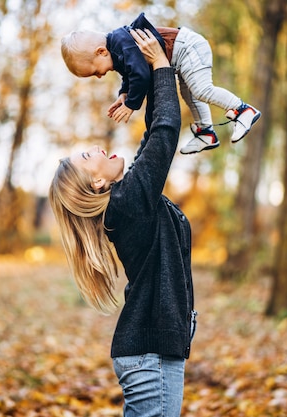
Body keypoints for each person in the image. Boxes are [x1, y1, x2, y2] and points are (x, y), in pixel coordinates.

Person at [49, 28, 196, 416]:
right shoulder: (127, 204)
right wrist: (163, 67)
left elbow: (151, 137)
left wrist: (143, 80)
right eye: (87, 156)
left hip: (153, 354)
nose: (98, 148)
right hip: (150, 357)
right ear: (97, 181)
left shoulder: (127, 200)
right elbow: (164, 136)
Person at [60, 12, 261, 155]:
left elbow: (140, 75)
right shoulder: (118, 50)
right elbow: (130, 74)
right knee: (189, 94)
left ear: (101, 52)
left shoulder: (121, 43)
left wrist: (131, 105)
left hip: (187, 47)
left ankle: (242, 110)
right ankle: (206, 132)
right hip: (181, 56)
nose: (99, 76)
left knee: (201, 90)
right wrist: (124, 94)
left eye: (95, 71)